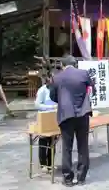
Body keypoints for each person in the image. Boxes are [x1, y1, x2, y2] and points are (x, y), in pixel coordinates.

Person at [50, 55, 94, 187]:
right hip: (83, 113)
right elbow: (92, 89)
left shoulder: (57, 77)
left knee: (67, 147)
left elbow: (52, 96)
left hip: (66, 115)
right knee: (83, 145)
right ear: (75, 64)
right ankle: (81, 177)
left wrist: (62, 102)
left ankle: (68, 178)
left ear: (63, 65)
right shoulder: (83, 74)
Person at [35, 73, 58, 171]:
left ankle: (50, 164)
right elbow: (37, 105)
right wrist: (51, 107)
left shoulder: (56, 90)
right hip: (44, 118)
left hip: (54, 118)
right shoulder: (42, 90)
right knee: (43, 142)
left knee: (53, 142)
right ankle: (43, 165)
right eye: (50, 78)